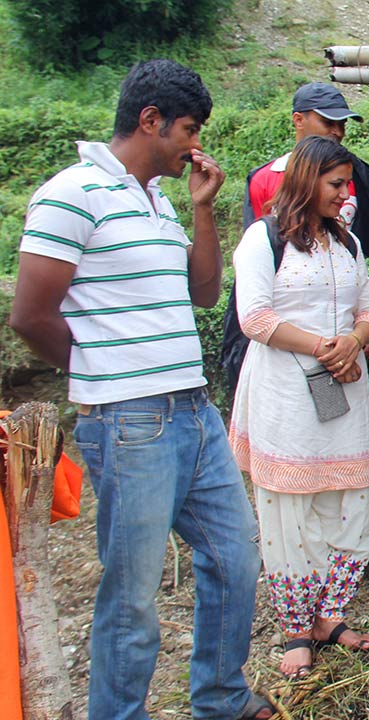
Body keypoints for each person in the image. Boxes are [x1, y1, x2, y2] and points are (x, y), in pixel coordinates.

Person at [7, 60, 272, 720]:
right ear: (150, 121)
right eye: (190, 129)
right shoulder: (71, 193)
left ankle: (221, 699)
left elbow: (205, 293)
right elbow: (30, 314)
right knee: (131, 593)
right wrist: (101, 374)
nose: (195, 144)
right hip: (129, 422)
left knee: (235, 557)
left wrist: (203, 209)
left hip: (194, 410)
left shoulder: (156, 201)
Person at [229, 135, 369, 679]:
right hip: (286, 396)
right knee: (289, 509)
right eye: (336, 184)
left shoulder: (349, 244)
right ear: (305, 180)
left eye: (349, 185)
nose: (346, 196)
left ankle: (329, 617)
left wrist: (355, 340)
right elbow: (256, 319)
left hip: (344, 389)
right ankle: (296, 627)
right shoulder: (262, 240)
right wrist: (325, 346)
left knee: (347, 503)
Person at [242, 82, 369, 358]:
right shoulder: (263, 184)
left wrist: (358, 338)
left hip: (344, 355)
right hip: (288, 363)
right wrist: (326, 350)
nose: (337, 131)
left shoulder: (358, 184)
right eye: (328, 122)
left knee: (339, 401)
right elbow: (254, 309)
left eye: (342, 124)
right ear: (298, 120)